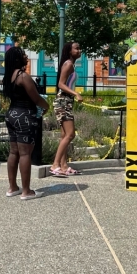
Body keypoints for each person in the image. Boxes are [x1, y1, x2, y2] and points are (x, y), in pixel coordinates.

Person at [3, 46, 48, 199]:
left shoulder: (8, 76)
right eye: (23, 54)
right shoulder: (23, 76)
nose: (26, 56)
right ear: (17, 59)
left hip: (11, 114)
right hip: (25, 116)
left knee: (13, 152)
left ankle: (12, 188)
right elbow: (36, 98)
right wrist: (46, 106)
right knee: (25, 153)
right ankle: (26, 191)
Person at [50, 41, 83, 176]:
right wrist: (76, 93)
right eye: (76, 48)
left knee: (64, 135)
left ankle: (64, 166)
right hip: (63, 101)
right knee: (70, 134)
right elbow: (61, 84)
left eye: (79, 48)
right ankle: (55, 165)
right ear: (69, 51)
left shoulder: (70, 64)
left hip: (66, 101)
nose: (79, 50)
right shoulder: (68, 64)